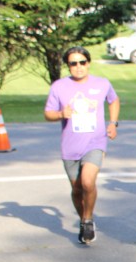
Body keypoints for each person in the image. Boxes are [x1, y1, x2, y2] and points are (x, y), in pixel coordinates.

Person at [44, 47, 120, 245]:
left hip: (95, 142)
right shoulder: (59, 87)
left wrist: (113, 123)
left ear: (88, 63)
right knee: (77, 190)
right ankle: (84, 220)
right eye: (73, 63)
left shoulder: (101, 83)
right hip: (70, 146)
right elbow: (48, 113)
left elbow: (113, 100)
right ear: (68, 66)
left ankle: (87, 220)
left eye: (82, 62)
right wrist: (61, 114)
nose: (78, 67)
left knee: (87, 182)